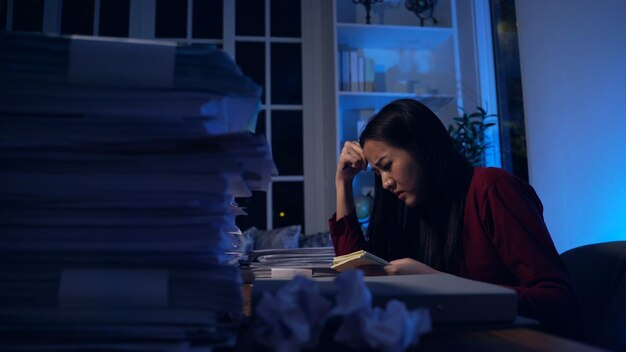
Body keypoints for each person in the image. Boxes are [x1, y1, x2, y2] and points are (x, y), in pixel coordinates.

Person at [329, 99, 582, 338]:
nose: (386, 183)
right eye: (377, 172)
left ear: (422, 148)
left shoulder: (492, 190)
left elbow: (559, 303)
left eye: (387, 165)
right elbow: (355, 273)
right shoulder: (408, 209)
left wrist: (438, 283)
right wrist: (343, 183)